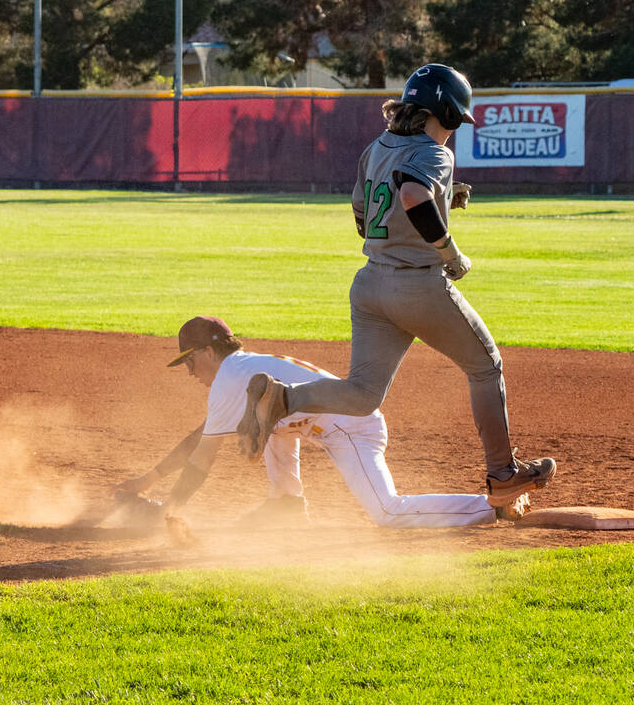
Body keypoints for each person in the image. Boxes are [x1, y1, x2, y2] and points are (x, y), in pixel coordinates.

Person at [237, 63, 556, 510]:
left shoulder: (377, 147)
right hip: (417, 287)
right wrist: (449, 252)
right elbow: (410, 195)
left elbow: (365, 217)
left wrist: (444, 197)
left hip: (370, 286)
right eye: (455, 120)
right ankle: (503, 475)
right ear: (442, 111)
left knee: (363, 393)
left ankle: (282, 398)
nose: (454, 131)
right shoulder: (434, 152)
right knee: (486, 368)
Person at [116, 316, 529, 528]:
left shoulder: (230, 378)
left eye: (188, 360)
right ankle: (287, 504)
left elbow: (202, 458)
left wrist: (166, 510)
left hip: (353, 426)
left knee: (387, 512)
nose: (188, 371)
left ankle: (492, 507)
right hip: (329, 418)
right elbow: (203, 435)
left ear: (207, 352)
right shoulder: (243, 371)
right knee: (266, 416)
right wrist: (147, 481)